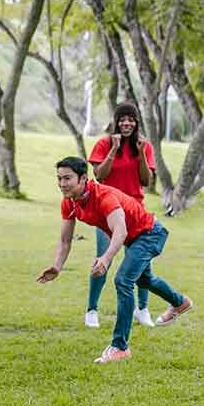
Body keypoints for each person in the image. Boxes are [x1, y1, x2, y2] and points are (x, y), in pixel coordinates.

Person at [37, 157, 193, 363]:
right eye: (59, 178)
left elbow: (120, 231)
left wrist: (105, 258)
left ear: (83, 178)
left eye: (67, 178)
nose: (62, 184)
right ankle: (180, 302)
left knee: (123, 281)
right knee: (144, 280)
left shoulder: (104, 196)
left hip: (149, 233)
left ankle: (120, 347)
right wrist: (57, 266)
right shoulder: (69, 203)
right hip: (135, 237)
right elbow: (65, 240)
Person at [86, 101, 157, 329]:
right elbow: (99, 177)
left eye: (131, 119)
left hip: (135, 210)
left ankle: (142, 308)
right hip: (107, 209)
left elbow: (146, 181)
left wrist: (142, 154)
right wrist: (114, 150)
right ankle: (92, 310)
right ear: (115, 121)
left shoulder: (143, 146)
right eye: (122, 119)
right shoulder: (104, 144)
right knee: (103, 256)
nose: (126, 123)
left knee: (142, 262)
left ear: (136, 122)